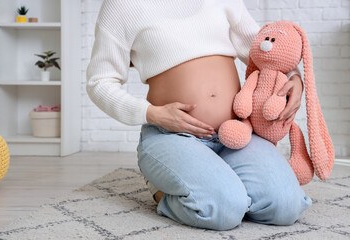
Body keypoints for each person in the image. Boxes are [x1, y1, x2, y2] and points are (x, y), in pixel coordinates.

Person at [86, 0, 312, 231]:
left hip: (236, 132)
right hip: (172, 136)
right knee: (224, 210)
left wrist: (294, 78)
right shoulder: (122, 5)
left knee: (286, 207)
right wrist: (151, 113)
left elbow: (263, 47)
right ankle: (162, 191)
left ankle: (218, 179)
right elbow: (99, 83)